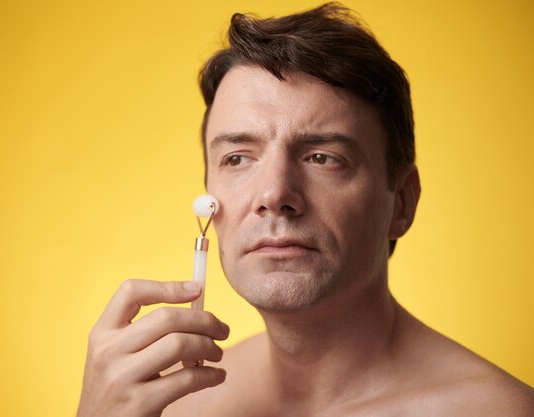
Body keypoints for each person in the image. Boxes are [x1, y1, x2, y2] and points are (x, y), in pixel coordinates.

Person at [76, 3, 534, 416]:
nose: (274, 194)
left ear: (402, 202)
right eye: (238, 158)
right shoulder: (170, 406)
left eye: (323, 158)